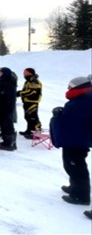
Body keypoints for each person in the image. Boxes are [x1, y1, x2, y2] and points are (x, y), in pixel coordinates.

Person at [50, 75, 92, 207]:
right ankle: (75, 187)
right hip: (74, 138)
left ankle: (81, 195)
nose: (68, 88)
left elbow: (81, 120)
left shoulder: (86, 99)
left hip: (77, 140)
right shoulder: (81, 98)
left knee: (77, 167)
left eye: (70, 86)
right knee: (70, 165)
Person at [0, 67, 18, 151]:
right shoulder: (4, 82)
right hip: (4, 107)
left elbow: (7, 97)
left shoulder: (7, 83)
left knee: (7, 125)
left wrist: (4, 107)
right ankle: (10, 142)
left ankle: (8, 143)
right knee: (6, 125)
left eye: (0, 72)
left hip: (5, 108)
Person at [17, 68, 43, 139]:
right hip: (27, 101)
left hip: (33, 102)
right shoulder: (29, 81)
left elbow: (32, 92)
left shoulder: (34, 81)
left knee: (33, 117)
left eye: (25, 73)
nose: (24, 74)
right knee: (28, 117)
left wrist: (19, 93)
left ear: (29, 73)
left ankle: (37, 133)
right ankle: (29, 131)